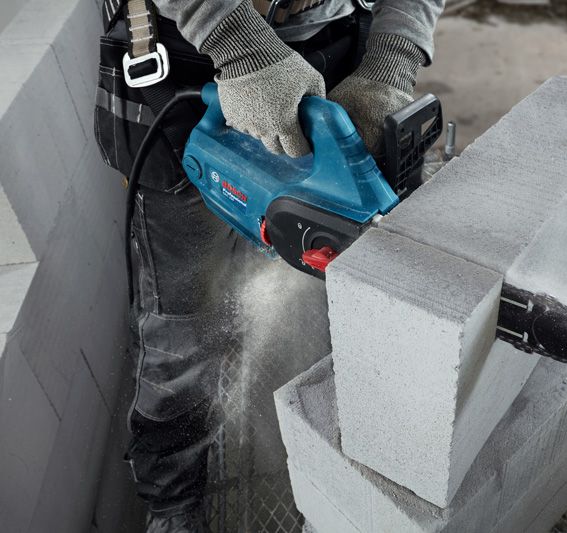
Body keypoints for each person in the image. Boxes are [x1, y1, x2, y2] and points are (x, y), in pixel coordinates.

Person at [94, 0, 443, 531]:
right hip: (185, 58)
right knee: (182, 332)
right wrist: (236, 44)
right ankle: (172, 504)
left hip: (342, 65)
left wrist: (390, 62)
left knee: (344, 321)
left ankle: (338, 495)